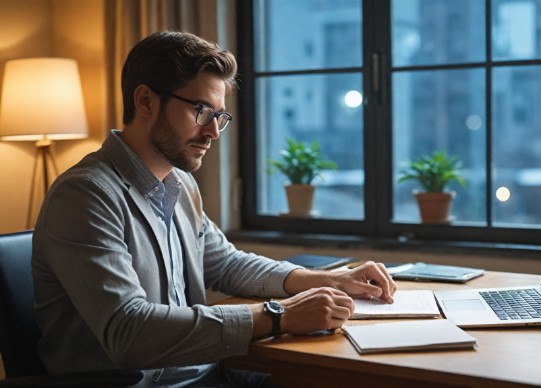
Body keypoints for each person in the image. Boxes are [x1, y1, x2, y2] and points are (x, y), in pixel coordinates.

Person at [31, 30, 396, 386]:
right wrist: (279, 315)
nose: (214, 132)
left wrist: (329, 279)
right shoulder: (84, 195)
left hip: (205, 374)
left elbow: (224, 263)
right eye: (202, 111)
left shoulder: (180, 184)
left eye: (219, 116)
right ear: (145, 101)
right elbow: (129, 332)